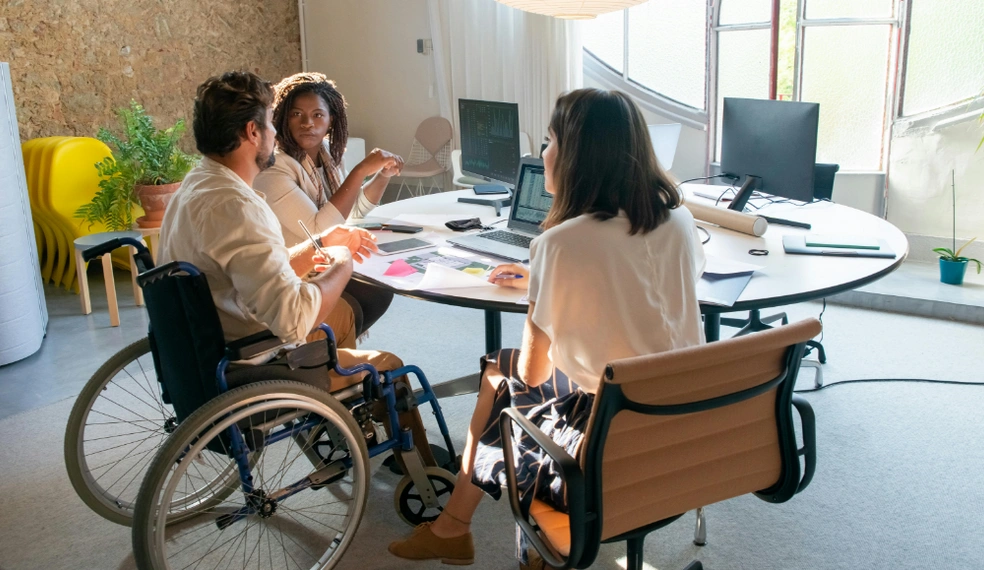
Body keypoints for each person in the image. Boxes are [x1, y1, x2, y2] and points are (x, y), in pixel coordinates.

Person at [388, 88, 706, 568]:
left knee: (503, 378)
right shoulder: (678, 218)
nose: (543, 154)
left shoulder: (560, 243)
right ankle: (453, 527)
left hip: (609, 430)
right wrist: (554, 281)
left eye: (551, 141)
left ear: (578, 155)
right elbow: (648, 289)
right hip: (682, 415)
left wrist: (548, 285)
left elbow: (535, 374)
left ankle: (457, 528)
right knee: (503, 374)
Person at [158, 70, 435, 469]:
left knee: (353, 303)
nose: (276, 132)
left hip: (205, 345)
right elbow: (293, 318)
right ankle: (424, 475)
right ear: (254, 132)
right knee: (388, 362)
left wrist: (320, 245)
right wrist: (340, 261)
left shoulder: (196, 186)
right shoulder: (240, 206)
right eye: (273, 122)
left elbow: (251, 268)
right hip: (254, 360)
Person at [254, 72, 402, 338]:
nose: (307, 123)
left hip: (323, 262)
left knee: (380, 281)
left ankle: (331, 349)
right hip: (294, 274)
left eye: (317, 115)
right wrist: (360, 171)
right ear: (283, 117)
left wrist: (382, 175)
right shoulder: (274, 168)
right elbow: (322, 227)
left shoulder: (327, 157)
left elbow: (351, 211)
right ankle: (320, 348)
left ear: (331, 120)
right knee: (368, 289)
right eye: (297, 114)